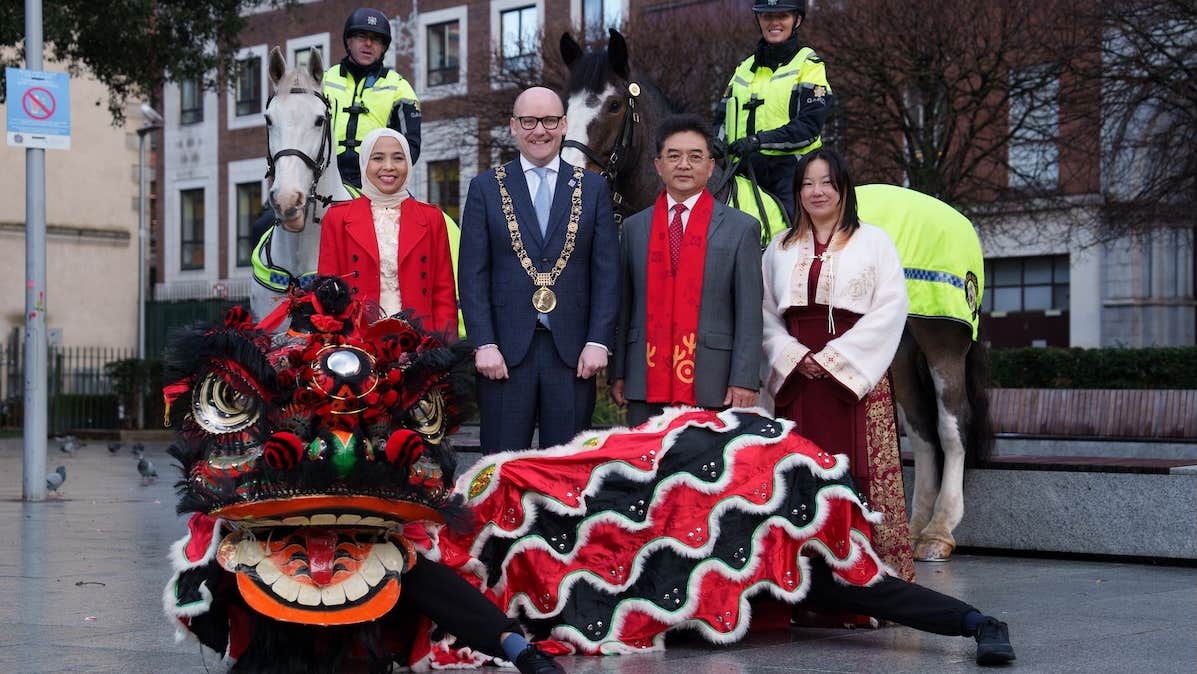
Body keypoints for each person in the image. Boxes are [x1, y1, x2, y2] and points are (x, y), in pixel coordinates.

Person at [762, 148, 915, 582]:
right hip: (796, 380)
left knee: (857, 473)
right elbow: (764, 312)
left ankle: (868, 584)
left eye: (827, 182)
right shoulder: (778, 247)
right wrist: (793, 356)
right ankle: (803, 587)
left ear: (844, 187)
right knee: (799, 476)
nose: (817, 192)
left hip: (855, 380)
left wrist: (835, 359)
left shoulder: (875, 241)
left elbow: (891, 308)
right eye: (807, 183)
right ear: (797, 192)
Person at [458, 86, 619, 454]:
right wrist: (484, 343)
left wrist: (598, 341)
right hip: (503, 355)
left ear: (563, 125)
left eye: (549, 120)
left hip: (573, 355)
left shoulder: (593, 188)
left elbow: (606, 273)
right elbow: (473, 276)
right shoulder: (485, 187)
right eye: (529, 121)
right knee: (502, 465)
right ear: (513, 126)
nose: (539, 130)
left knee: (566, 468)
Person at [610, 114, 763, 425]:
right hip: (644, 376)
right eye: (673, 156)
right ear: (658, 165)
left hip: (714, 380)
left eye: (695, 157)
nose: (683, 165)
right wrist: (619, 372)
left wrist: (745, 378)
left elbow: (749, 313)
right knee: (646, 455)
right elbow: (625, 307)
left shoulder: (740, 228)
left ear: (711, 166)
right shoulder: (634, 228)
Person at [318, 128, 457, 336]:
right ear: (364, 163)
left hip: (420, 341)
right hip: (357, 341)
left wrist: (445, 346)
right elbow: (328, 293)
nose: (389, 166)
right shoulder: (337, 217)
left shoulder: (432, 217)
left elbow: (443, 293)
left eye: (398, 158)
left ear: (408, 163)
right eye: (378, 158)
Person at [717, 0, 832, 220]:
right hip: (743, 168)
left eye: (782, 16)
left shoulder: (809, 65)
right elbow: (721, 120)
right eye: (767, 16)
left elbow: (809, 127)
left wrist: (759, 141)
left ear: (797, 20)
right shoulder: (743, 68)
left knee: (793, 228)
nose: (774, 23)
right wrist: (716, 143)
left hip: (793, 169)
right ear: (759, 20)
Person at [324, 7, 422, 190]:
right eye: (361, 36)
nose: (368, 44)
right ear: (349, 41)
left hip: (376, 184)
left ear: (383, 47)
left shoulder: (400, 88)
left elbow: (410, 148)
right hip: (325, 179)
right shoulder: (324, 80)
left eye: (376, 39)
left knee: (415, 209)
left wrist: (383, 173)